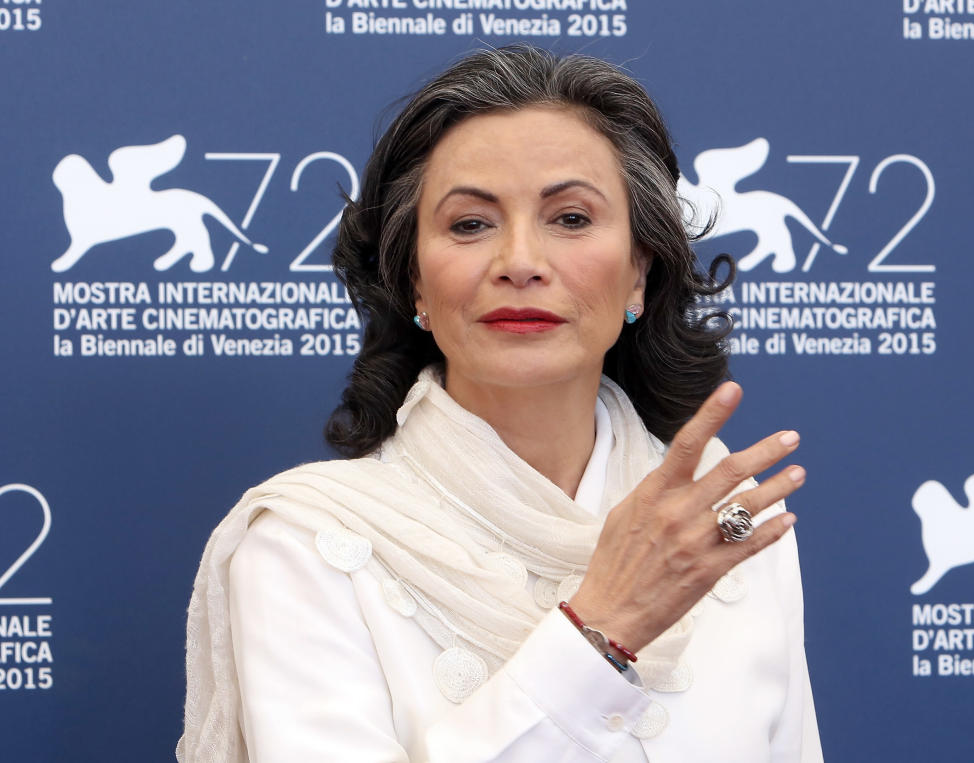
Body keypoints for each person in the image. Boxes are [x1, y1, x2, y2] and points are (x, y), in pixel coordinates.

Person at [179, 45, 821, 762]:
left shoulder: (722, 512)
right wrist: (600, 625)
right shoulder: (305, 547)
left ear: (640, 270)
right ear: (414, 283)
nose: (520, 260)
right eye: (469, 224)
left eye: (571, 218)